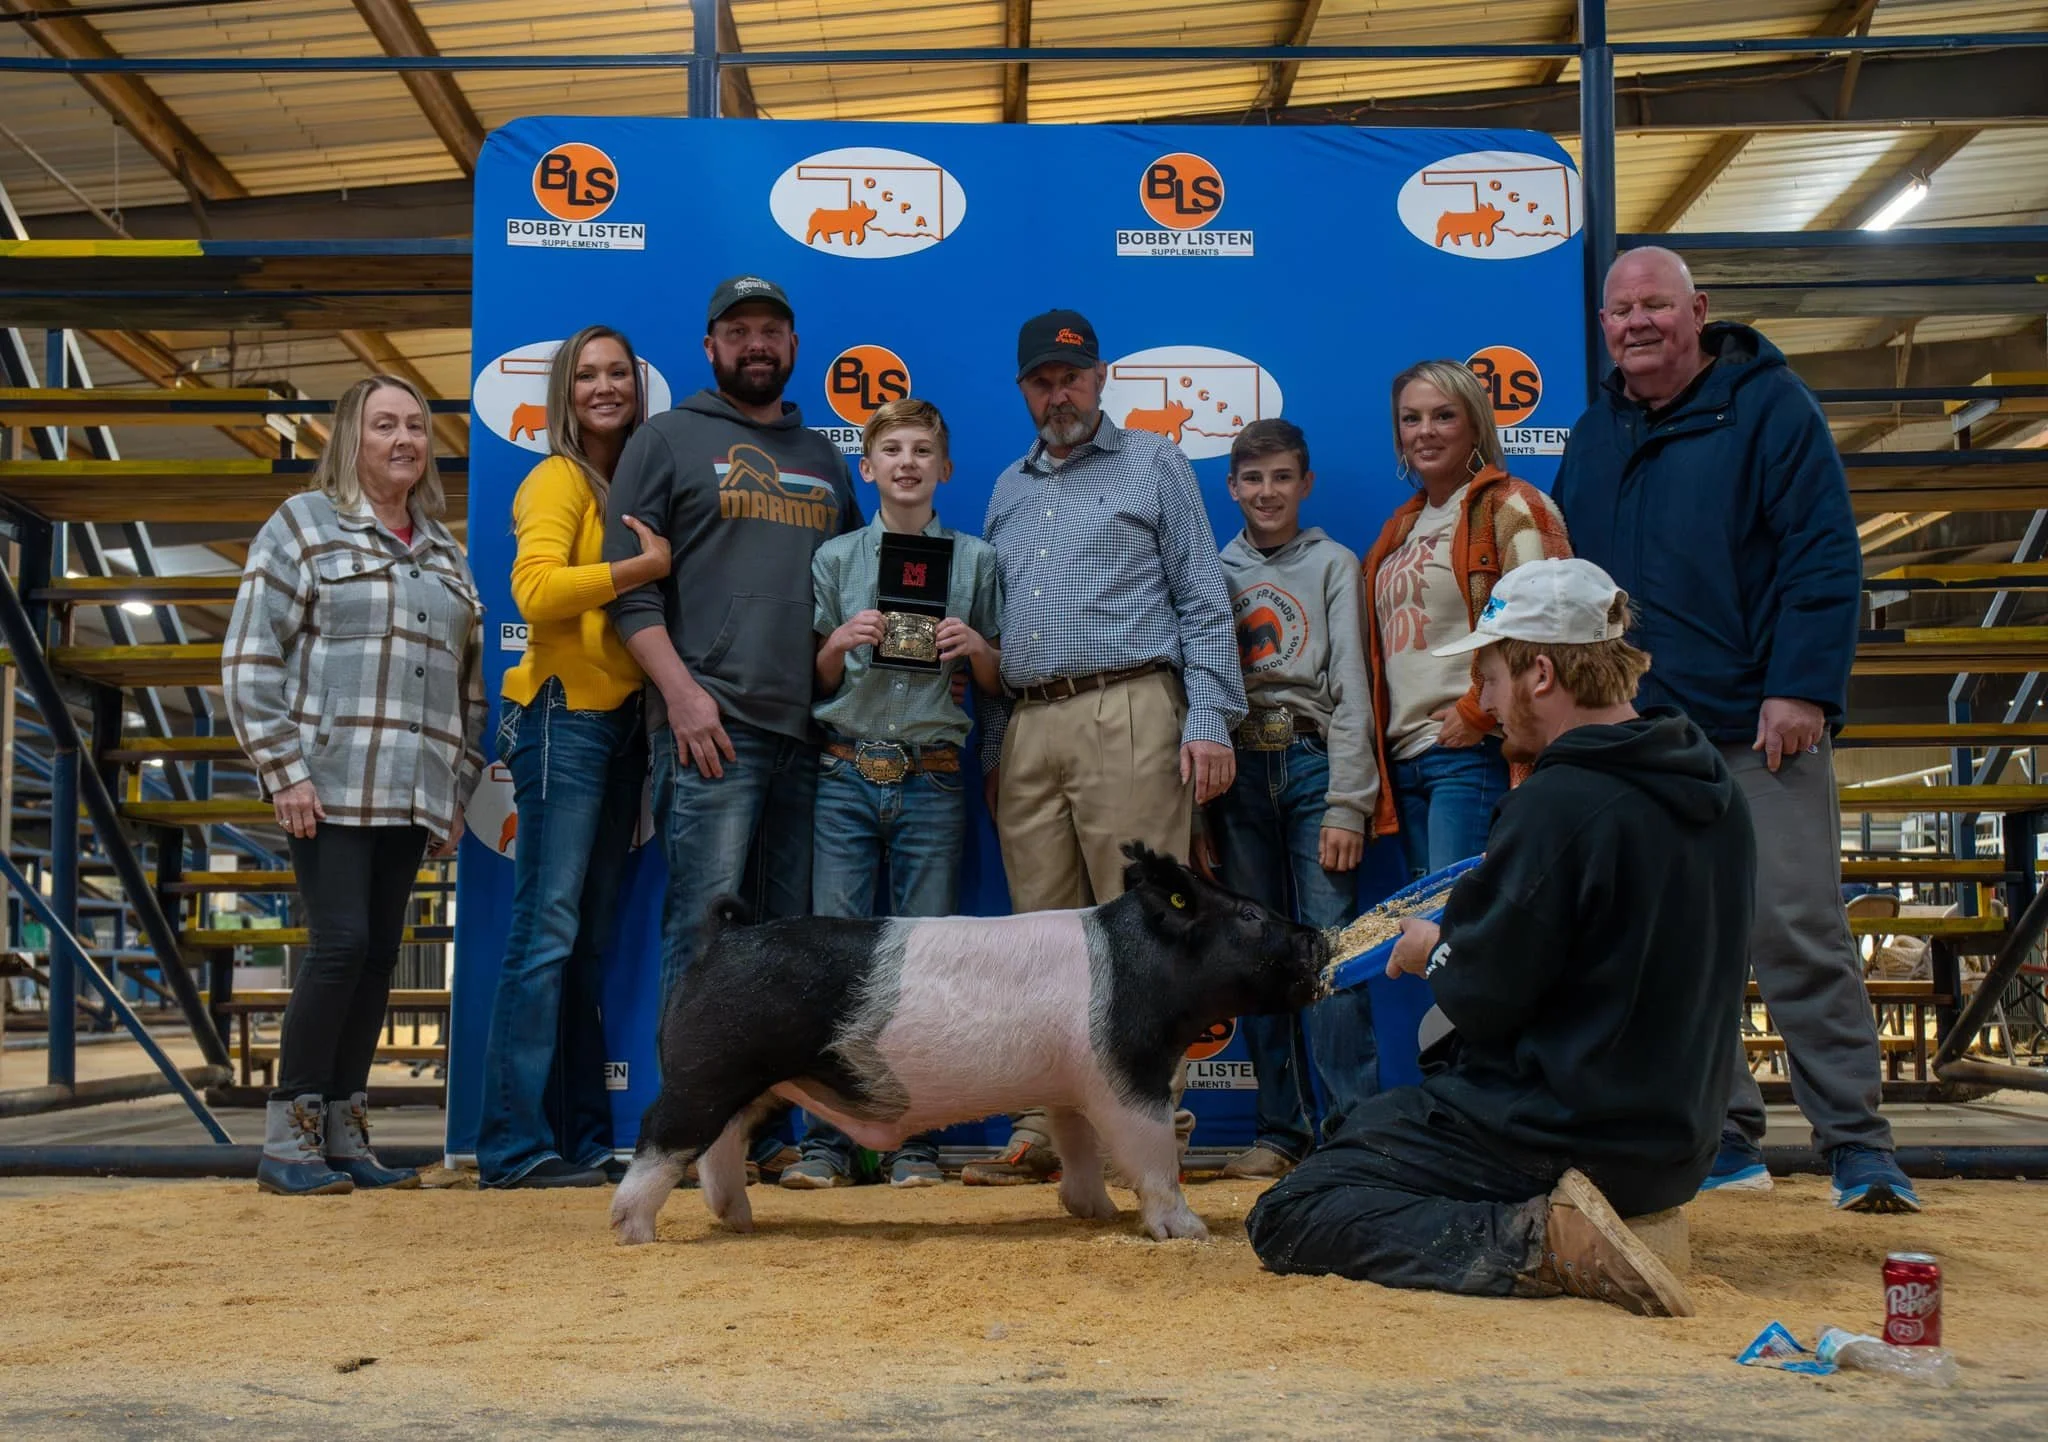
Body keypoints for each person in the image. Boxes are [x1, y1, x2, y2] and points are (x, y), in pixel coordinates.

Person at [1246, 559, 1755, 1317]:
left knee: (1292, 1210)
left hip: (1564, 1132)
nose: (1480, 702)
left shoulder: (1557, 803)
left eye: (1487, 678)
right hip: (1677, 1145)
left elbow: (1485, 998)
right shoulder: (1711, 785)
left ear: (1540, 673)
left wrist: (1430, 952)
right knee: (1368, 1128)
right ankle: (1568, 1225)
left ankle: (1538, 1241)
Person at [1553, 246, 1919, 1214]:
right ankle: (1718, 1134)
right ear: (1601, 325)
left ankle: (1856, 1144)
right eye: (1619, 309)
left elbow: (1819, 552)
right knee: (1672, 942)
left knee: (1793, 926)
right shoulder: (1592, 435)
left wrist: (1798, 686)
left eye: (1654, 306)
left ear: (1696, 311)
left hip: (1760, 728)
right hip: (1644, 737)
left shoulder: (1769, 408)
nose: (1635, 322)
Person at [961, 308, 1248, 1186]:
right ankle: (1052, 1137)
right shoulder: (1006, 486)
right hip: (1030, 720)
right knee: (1039, 944)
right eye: (1042, 381)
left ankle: (1151, 1136)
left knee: (1147, 932)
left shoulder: (1154, 461)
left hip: (1130, 704)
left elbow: (1204, 603)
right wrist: (998, 749)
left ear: (1102, 378)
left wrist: (1207, 720)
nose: (1059, 394)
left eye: (1072, 377)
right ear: (1023, 391)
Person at [603, 276, 860, 1172]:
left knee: (785, 950)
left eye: (773, 330)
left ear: (794, 346)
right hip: (709, 725)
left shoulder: (828, 459)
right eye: (739, 330)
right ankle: (678, 1142)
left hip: (808, 737)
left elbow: (852, 595)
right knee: (703, 938)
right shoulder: (664, 440)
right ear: (710, 346)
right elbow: (628, 592)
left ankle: (761, 1137)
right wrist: (682, 695)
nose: (757, 344)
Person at [223, 374, 486, 1196]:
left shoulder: (446, 552)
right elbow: (247, 657)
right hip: (328, 784)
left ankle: (343, 1131)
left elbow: (470, 689)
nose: (404, 438)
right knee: (339, 947)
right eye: (384, 425)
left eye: (415, 425)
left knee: (377, 958)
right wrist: (283, 768)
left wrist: (454, 789)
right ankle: (287, 1137)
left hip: (411, 792)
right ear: (351, 438)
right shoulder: (303, 527)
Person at [779, 398, 1005, 1191]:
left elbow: (995, 681)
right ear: (866, 468)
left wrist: (977, 649)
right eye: (892, 451)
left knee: (928, 968)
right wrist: (837, 644)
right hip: (845, 772)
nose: (907, 463)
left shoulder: (975, 560)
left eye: (922, 451)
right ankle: (826, 1144)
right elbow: (814, 679)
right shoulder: (837, 560)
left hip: (934, 776)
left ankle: (916, 1143)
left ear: (944, 468)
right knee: (832, 962)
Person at [477, 325, 672, 1189]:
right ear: (565, 391)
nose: (604, 386)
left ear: (637, 385)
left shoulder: (634, 479)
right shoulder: (558, 477)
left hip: (622, 723)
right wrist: (639, 569)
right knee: (545, 936)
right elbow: (535, 590)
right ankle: (512, 1148)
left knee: (586, 945)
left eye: (617, 372)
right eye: (586, 374)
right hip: (561, 718)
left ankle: (584, 1138)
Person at [1208, 418, 1379, 1178]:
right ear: (1232, 487)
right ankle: (1280, 1129)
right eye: (1252, 479)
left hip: (1311, 764)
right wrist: (1197, 810)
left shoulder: (1335, 564)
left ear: (1304, 484)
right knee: (1253, 954)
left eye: (1281, 477)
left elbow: (1351, 688)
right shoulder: (1211, 569)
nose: (1266, 492)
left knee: (1332, 946)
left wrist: (1349, 800)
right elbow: (1202, 691)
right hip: (1238, 772)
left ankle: (1353, 1133)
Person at [1362, 360, 1571, 879]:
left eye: (1443, 416)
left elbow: (1549, 627)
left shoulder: (1513, 505)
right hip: (1405, 757)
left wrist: (1479, 711)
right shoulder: (1401, 527)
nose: (1425, 431)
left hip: (1472, 754)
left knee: (1456, 927)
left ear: (1476, 424)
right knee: (1423, 931)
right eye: (1411, 419)